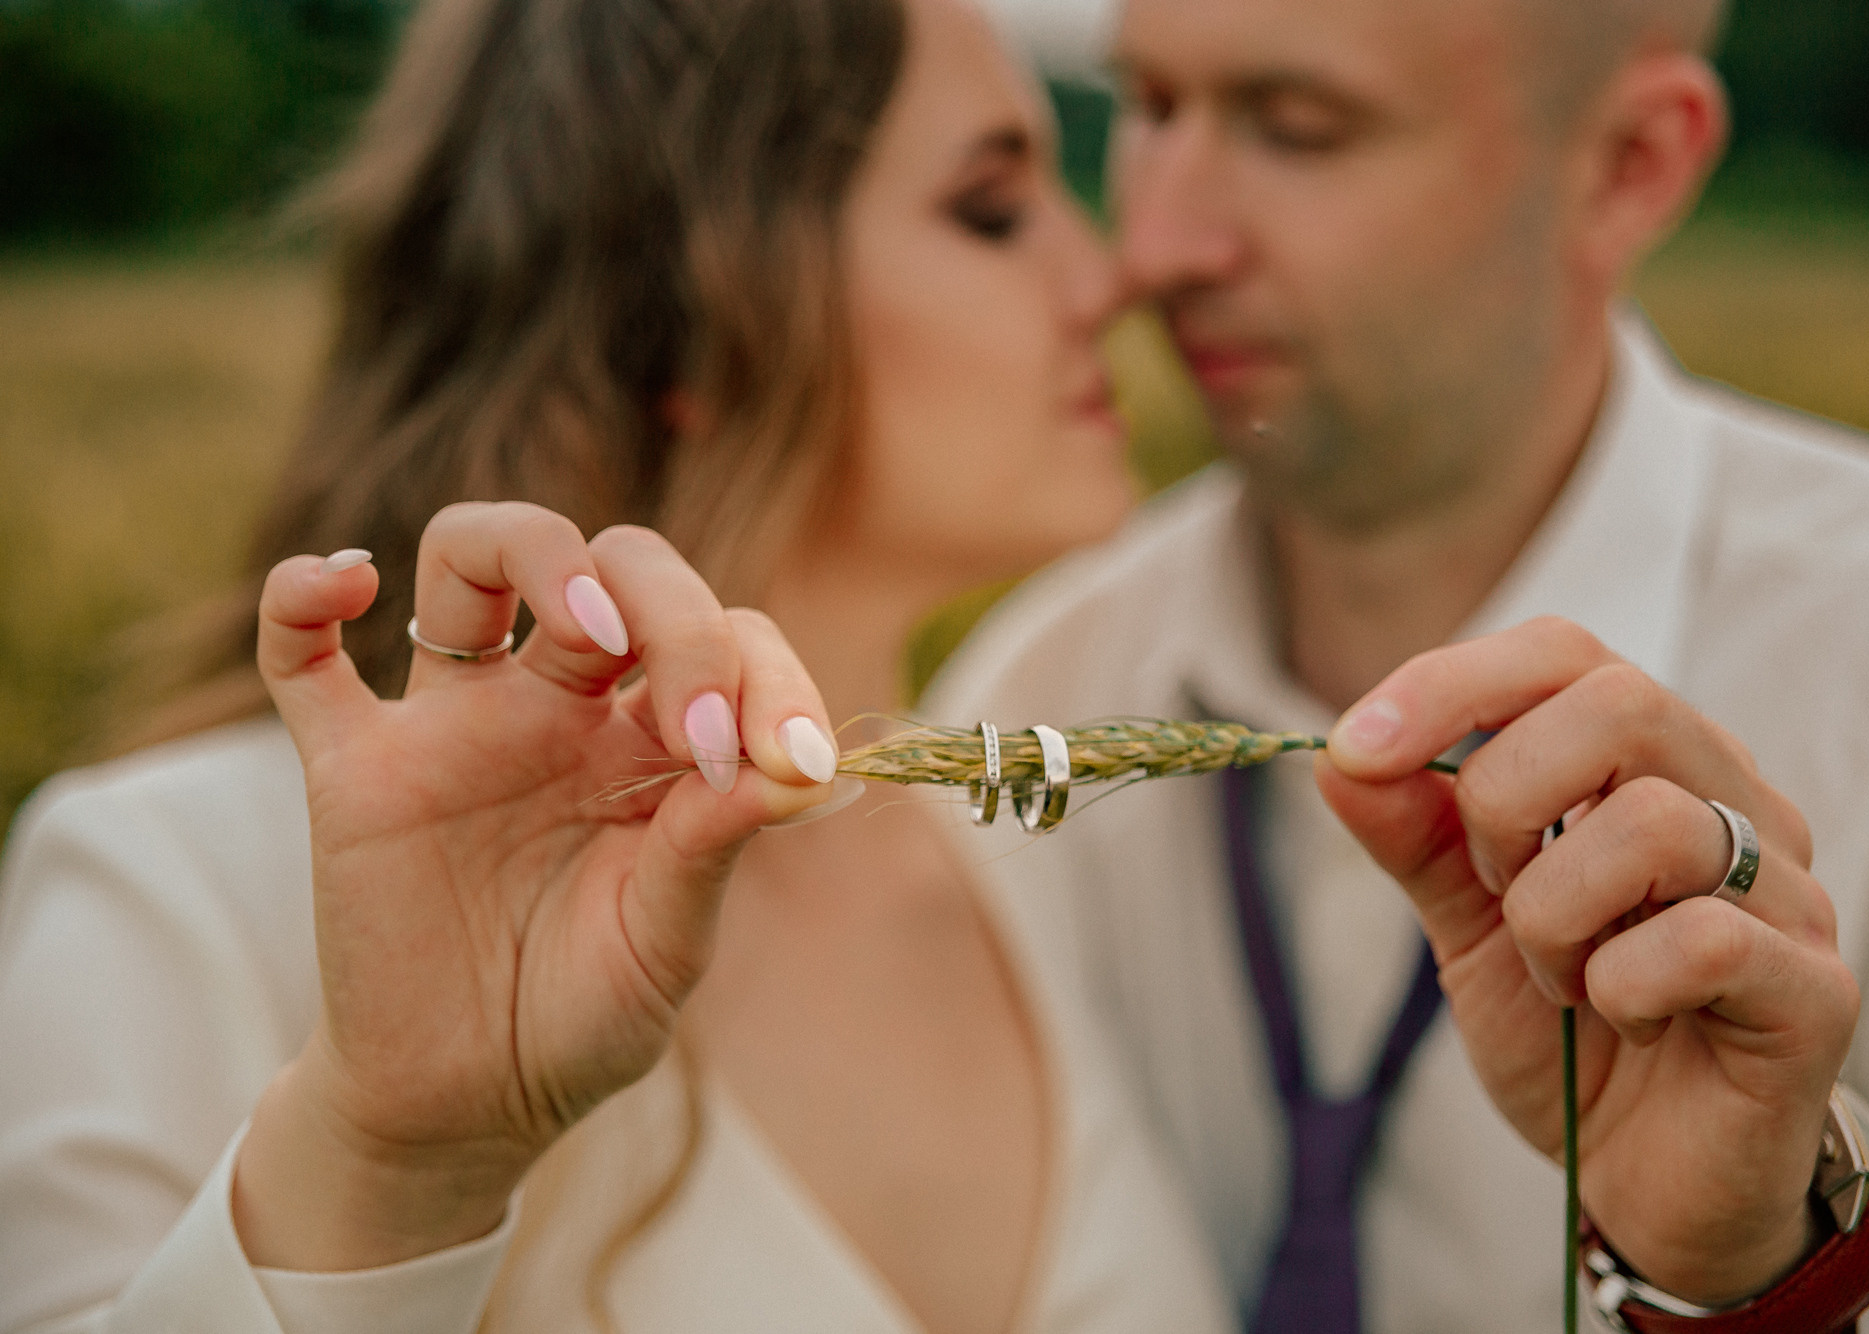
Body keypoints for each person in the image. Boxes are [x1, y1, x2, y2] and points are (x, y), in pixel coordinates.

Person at [0, 0, 1248, 1330]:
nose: (1113, 276)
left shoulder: (1067, 843)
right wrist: (392, 1167)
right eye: (991, 209)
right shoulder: (187, 885)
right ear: (690, 313)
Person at [930, 0, 1869, 1329]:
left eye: (1299, 129)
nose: (1152, 245)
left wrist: (1755, 1278)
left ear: (1630, 166)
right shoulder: (1025, 700)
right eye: (1148, 106)